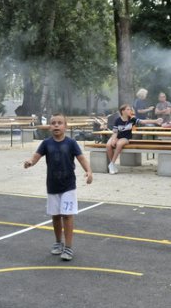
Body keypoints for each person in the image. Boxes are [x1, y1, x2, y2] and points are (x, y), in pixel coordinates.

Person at [24, 113, 93, 260]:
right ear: (50, 127)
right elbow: (36, 156)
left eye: (59, 123)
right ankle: (58, 243)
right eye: (53, 123)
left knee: (67, 216)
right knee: (55, 216)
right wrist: (30, 162)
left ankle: (68, 248)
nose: (56, 125)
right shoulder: (46, 143)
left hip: (68, 186)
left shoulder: (71, 143)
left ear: (65, 126)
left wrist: (89, 171)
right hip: (52, 185)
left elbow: (81, 158)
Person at [105, 104, 163, 174]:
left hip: (125, 138)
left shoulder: (132, 119)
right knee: (108, 145)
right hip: (117, 136)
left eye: (130, 109)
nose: (130, 111)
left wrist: (155, 121)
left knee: (119, 144)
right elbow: (115, 132)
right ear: (123, 111)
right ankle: (112, 165)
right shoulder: (117, 120)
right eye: (128, 109)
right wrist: (113, 139)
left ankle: (111, 164)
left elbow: (143, 121)